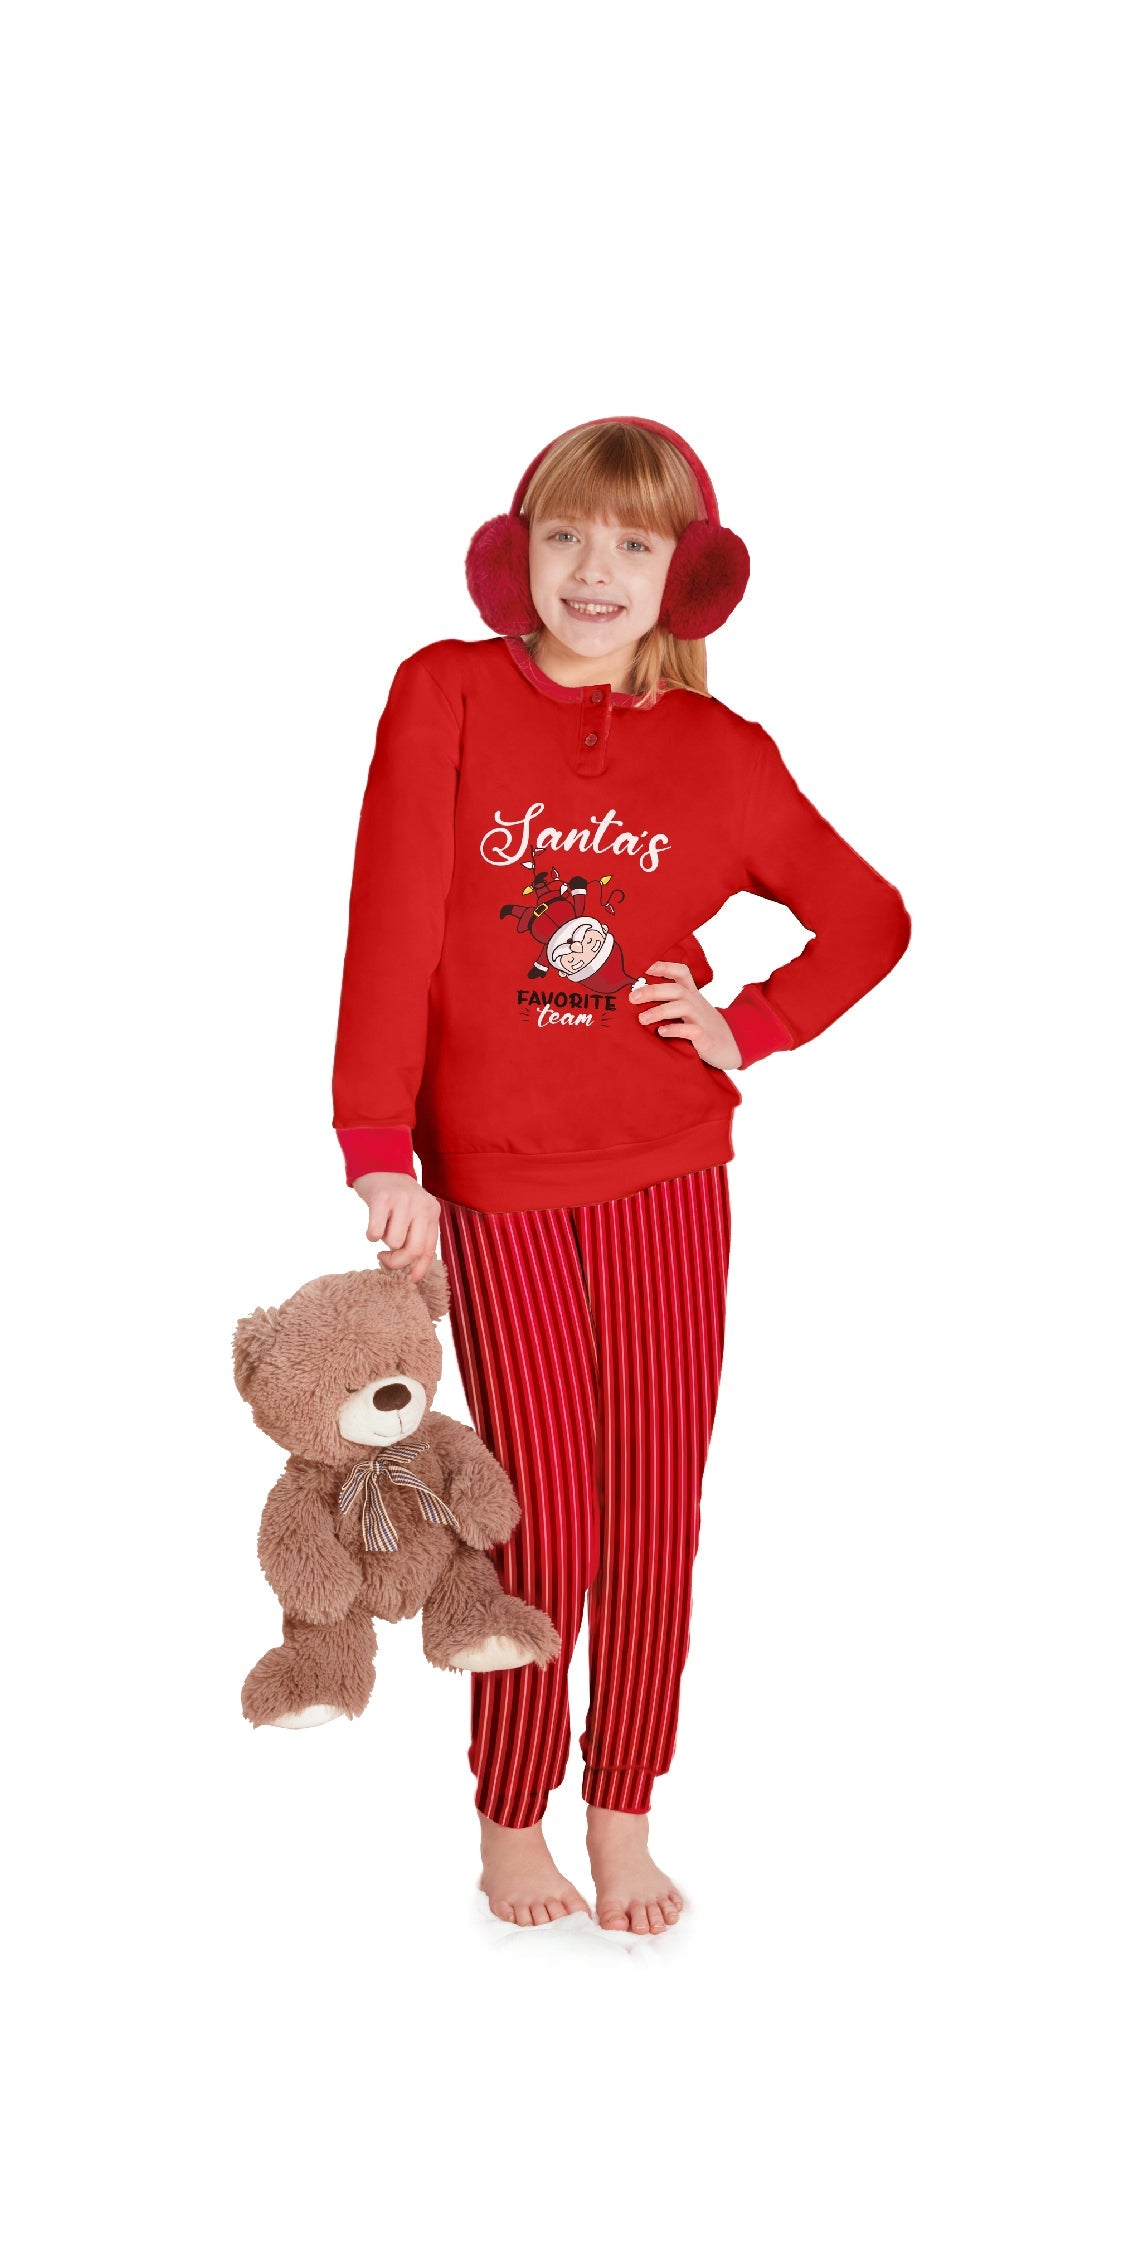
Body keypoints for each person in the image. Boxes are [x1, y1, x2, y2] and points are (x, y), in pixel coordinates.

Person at [331, 417, 912, 1934]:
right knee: (540, 1520)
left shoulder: (725, 757)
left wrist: (748, 1025)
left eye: (633, 543)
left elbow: (869, 918)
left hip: (669, 1176)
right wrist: (381, 1150)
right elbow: (391, 921)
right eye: (567, 534)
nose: (595, 570)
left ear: (682, 574)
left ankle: (623, 1807)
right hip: (495, 1186)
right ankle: (512, 1811)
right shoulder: (446, 691)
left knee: (656, 1516)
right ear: (517, 555)